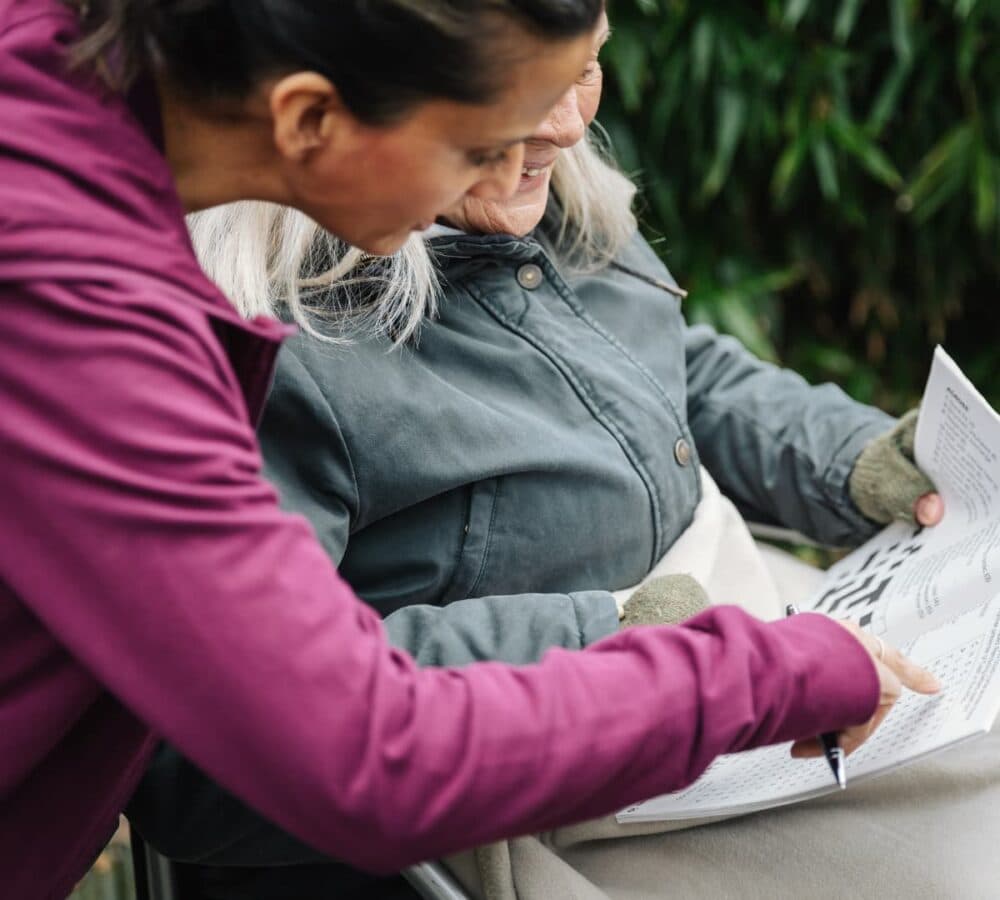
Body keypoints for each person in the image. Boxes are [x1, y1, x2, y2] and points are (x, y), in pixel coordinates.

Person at [0, 3, 934, 900]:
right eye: (481, 145)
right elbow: (346, 749)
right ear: (313, 117)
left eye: (587, 71)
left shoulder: (70, 63)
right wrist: (748, 672)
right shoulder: (102, 327)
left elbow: (651, 359)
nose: (554, 142)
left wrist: (846, 464)